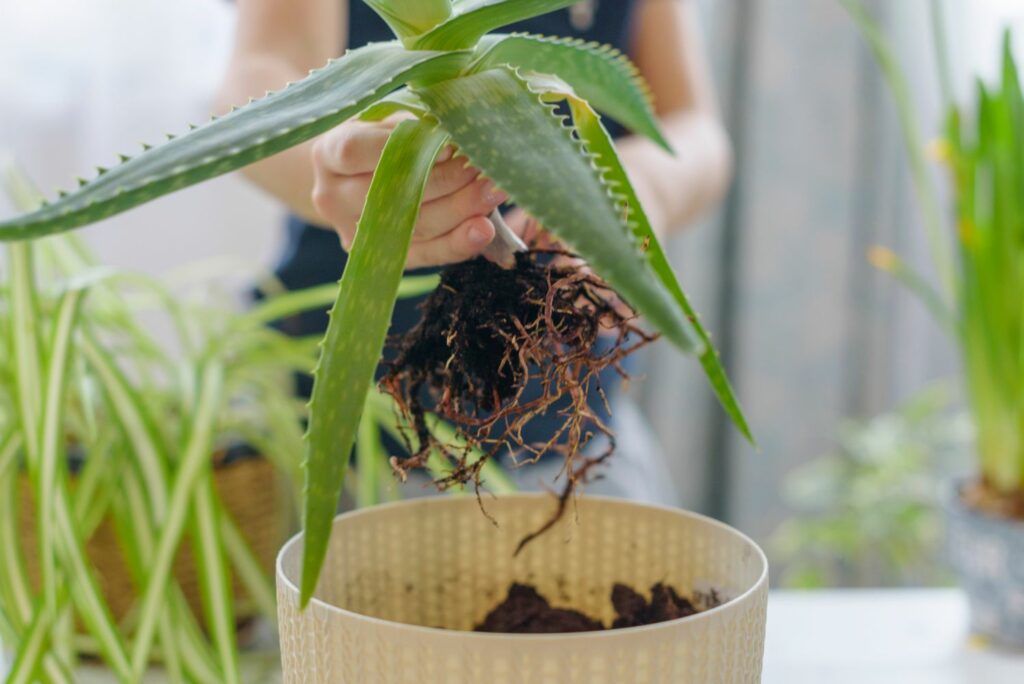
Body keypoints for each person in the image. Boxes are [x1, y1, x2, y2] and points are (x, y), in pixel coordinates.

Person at [217, 0, 732, 504]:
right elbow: (260, 70)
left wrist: (642, 189)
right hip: (347, 446)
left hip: (576, 443)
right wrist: (324, 165)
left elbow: (693, 124)